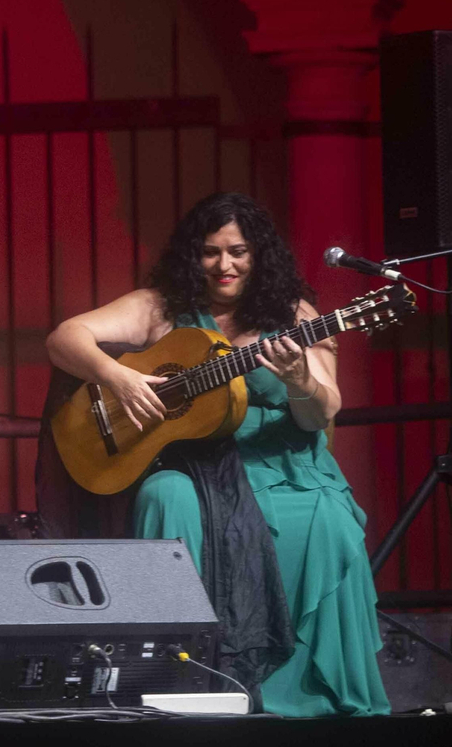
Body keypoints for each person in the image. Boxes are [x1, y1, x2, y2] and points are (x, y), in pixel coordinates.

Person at [44, 191, 388, 715]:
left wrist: (299, 381)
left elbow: (322, 412)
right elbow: (64, 338)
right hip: (197, 468)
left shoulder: (296, 315)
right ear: (192, 254)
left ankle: (310, 699)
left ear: (259, 255)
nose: (224, 265)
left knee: (327, 522)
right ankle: (170, 681)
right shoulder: (161, 308)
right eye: (210, 251)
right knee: (164, 496)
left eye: (238, 251)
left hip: (281, 467)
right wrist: (117, 375)